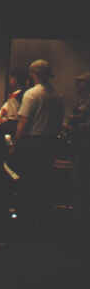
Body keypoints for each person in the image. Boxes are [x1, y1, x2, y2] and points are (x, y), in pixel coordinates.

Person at [11, 59, 65, 233]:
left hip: (33, 143)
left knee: (28, 183)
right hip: (51, 143)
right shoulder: (57, 96)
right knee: (44, 182)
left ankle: (26, 221)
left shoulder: (31, 94)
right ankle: (42, 221)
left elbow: (23, 123)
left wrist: (15, 143)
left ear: (33, 74)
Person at [66, 72, 90, 228]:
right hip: (79, 146)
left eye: (81, 84)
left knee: (82, 183)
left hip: (85, 147)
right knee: (77, 183)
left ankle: (82, 219)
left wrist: (75, 125)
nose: (78, 87)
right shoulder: (82, 100)